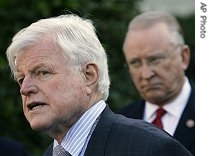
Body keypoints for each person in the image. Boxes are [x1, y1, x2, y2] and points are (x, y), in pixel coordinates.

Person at [6, 14, 192, 156]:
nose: (25, 88)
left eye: (42, 72)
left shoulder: (150, 148)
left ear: (89, 76)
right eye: (21, 78)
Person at [118, 11, 195, 155]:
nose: (146, 74)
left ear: (183, 57)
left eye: (155, 60)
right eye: (135, 63)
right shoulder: (120, 122)